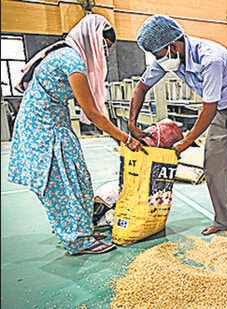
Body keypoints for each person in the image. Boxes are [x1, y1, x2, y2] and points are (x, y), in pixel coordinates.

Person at [129, 14, 227, 239]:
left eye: (158, 54)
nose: (158, 60)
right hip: (220, 111)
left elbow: (208, 108)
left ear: (173, 46)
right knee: (214, 167)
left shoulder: (210, 58)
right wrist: (131, 123)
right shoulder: (170, 57)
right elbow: (141, 88)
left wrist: (185, 142)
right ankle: (225, 220)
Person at [7, 14, 145, 255]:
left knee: (78, 177)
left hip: (55, 124)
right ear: (92, 39)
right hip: (43, 129)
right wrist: (125, 138)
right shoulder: (71, 60)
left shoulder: (66, 54)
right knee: (62, 182)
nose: (103, 53)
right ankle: (77, 239)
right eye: (103, 46)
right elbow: (92, 112)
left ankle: (82, 227)